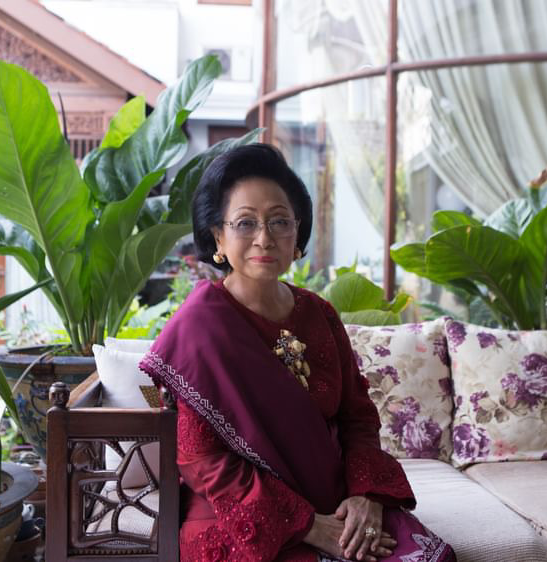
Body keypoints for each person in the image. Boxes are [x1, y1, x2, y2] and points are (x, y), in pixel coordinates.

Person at [140, 144, 455, 562]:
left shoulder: (319, 314)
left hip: (337, 501)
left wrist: (365, 496)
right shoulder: (198, 327)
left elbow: (357, 417)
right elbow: (203, 461)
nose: (264, 238)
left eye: (279, 221)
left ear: (297, 233)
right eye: (245, 223)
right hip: (240, 515)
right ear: (218, 236)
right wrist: (309, 526)